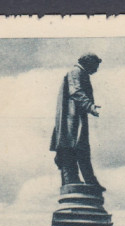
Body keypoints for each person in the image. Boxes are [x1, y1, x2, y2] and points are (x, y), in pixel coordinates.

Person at [50, 53, 105, 190]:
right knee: (72, 147)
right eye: (96, 65)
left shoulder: (82, 73)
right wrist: (90, 106)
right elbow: (76, 92)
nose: (97, 69)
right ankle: (74, 179)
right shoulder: (76, 72)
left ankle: (89, 180)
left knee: (80, 148)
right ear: (88, 62)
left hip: (76, 117)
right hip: (71, 118)